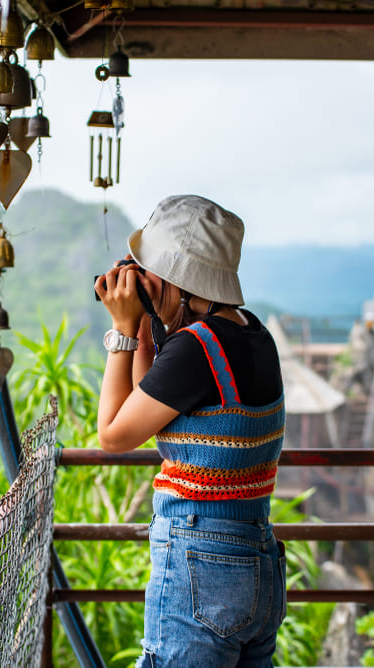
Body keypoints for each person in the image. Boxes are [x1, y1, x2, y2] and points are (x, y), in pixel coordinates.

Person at [94, 194, 287, 667]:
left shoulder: (194, 349)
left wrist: (120, 330)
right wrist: (141, 326)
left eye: (151, 270)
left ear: (182, 279)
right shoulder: (251, 332)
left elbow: (114, 435)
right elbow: (150, 401)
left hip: (201, 561)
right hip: (258, 561)